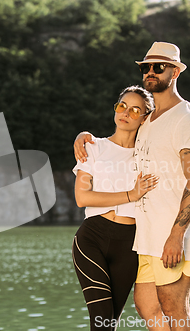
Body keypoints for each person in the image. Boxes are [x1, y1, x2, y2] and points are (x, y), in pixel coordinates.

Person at [74, 42, 190, 331]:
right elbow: (118, 136)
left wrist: (177, 234)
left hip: (171, 235)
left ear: (175, 71)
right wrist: (84, 135)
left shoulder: (187, 119)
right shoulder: (147, 120)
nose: (151, 71)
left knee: (174, 309)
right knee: (147, 307)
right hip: (145, 236)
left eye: (158, 66)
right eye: (145, 66)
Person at [72, 85, 158, 331]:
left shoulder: (147, 157)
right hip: (92, 240)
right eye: (122, 106)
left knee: (108, 324)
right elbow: (82, 197)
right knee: (100, 319)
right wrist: (131, 194)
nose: (126, 113)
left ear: (144, 118)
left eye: (135, 110)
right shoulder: (92, 147)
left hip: (130, 245)